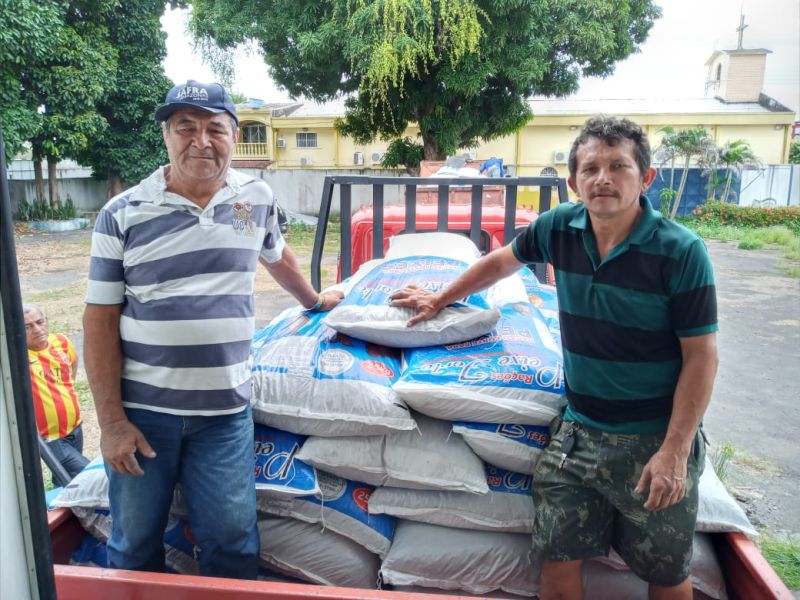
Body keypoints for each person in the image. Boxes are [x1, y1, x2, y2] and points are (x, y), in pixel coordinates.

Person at [391, 116, 718, 600]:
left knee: (665, 574)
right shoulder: (560, 227)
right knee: (557, 565)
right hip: (578, 436)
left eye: (618, 166)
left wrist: (674, 452)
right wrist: (441, 298)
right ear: (574, 181)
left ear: (646, 178)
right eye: (590, 168)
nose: (603, 178)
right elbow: (501, 261)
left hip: (653, 440)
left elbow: (702, 358)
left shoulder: (681, 251)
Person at [83, 80, 343, 579]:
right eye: (186, 127)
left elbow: (276, 254)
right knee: (135, 544)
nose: (200, 141)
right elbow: (98, 322)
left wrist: (314, 300)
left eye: (214, 128)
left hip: (224, 416)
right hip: (144, 415)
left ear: (234, 135)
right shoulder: (123, 214)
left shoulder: (255, 199)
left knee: (231, 543)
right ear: (166, 135)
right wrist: (112, 423)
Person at [24, 304, 90, 481]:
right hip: (50, 438)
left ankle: (65, 508)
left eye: (40, 322)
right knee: (88, 474)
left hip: (75, 428)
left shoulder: (61, 341)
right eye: (27, 327)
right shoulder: (19, 356)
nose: (37, 329)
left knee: (65, 480)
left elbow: (73, 365)